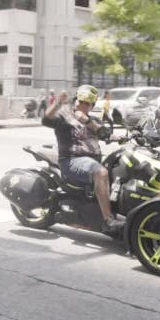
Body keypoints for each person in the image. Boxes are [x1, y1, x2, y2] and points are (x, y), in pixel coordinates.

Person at [43, 85, 125, 233]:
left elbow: (104, 133)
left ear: (92, 106)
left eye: (88, 103)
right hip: (72, 160)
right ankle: (108, 220)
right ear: (76, 101)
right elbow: (46, 119)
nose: (84, 105)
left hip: (91, 161)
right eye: (81, 102)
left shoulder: (92, 119)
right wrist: (59, 103)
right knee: (101, 173)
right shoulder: (65, 117)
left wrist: (123, 137)